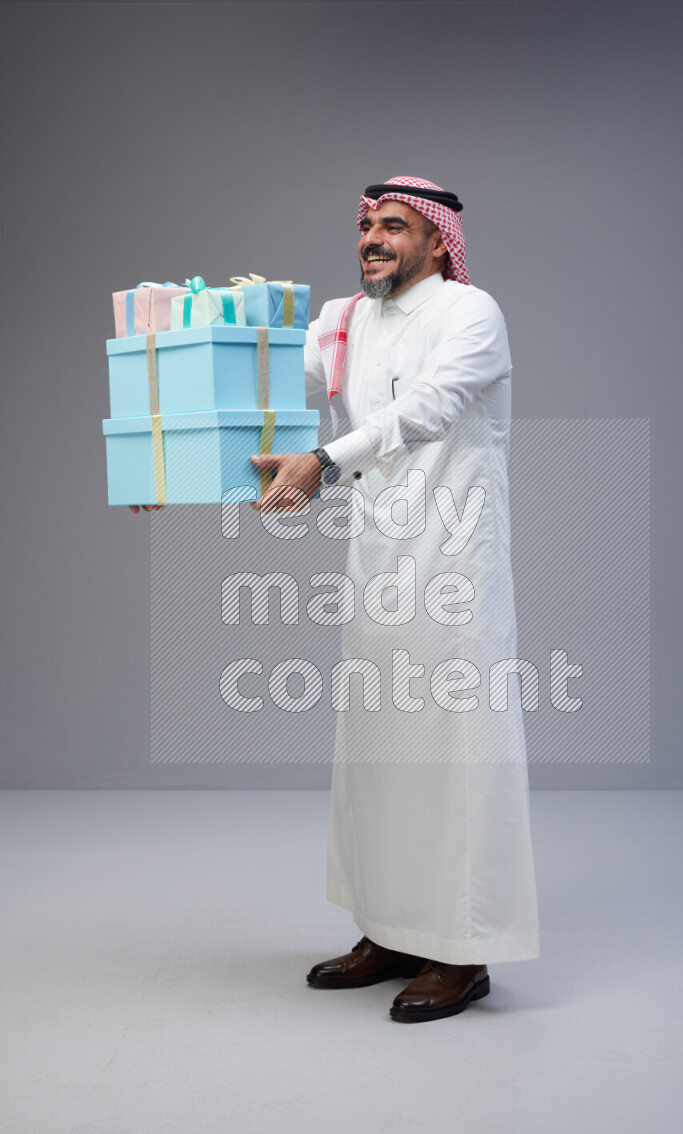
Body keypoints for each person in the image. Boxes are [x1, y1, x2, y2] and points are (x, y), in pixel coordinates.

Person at [134, 176, 540, 1023]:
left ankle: (461, 952)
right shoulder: (343, 320)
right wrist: (165, 464)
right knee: (377, 749)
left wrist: (322, 463)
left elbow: (426, 410)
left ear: (437, 240)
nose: (374, 239)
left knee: (452, 749)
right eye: (366, 226)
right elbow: (259, 392)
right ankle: (390, 929)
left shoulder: (472, 315)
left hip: (454, 563)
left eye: (394, 226)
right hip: (376, 558)